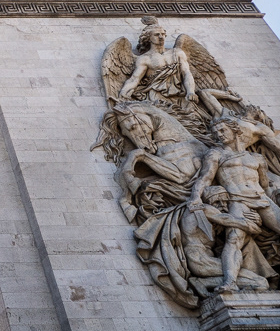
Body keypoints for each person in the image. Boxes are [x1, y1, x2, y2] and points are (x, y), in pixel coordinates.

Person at [190, 117, 280, 292]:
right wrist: (195, 197)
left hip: (262, 200)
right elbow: (205, 178)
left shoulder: (257, 158)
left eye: (223, 130)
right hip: (238, 201)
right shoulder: (216, 155)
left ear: (235, 130)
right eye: (216, 133)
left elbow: (265, 186)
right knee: (233, 239)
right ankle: (229, 282)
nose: (219, 135)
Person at [118, 17, 198, 105]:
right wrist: (123, 92)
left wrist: (190, 92)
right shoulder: (145, 58)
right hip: (156, 98)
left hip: (179, 95)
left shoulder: (177, 53)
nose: (161, 37)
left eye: (163, 34)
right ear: (148, 38)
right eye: (156, 35)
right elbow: (134, 79)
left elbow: (186, 73)